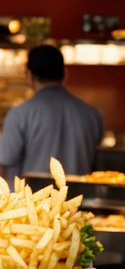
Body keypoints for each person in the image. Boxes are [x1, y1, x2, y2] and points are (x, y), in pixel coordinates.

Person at [0, 44, 104, 183]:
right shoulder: (92, 114)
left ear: (29, 76)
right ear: (65, 74)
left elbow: (3, 164)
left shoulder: (19, 115)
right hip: (78, 199)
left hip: (33, 202)